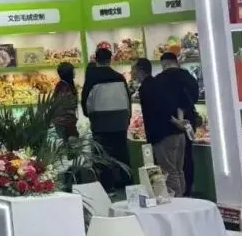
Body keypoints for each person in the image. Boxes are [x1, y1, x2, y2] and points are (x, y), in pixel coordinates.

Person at [135, 59, 188, 197]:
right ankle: (184, 199)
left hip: (163, 135)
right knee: (178, 170)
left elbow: (159, 110)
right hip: (177, 134)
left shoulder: (146, 88)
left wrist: (175, 122)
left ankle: (176, 202)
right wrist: (179, 121)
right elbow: (179, 103)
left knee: (169, 172)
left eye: (133, 70)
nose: (131, 73)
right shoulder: (160, 84)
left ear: (140, 71)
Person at [81, 47, 132, 191]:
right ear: (111, 60)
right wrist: (127, 118)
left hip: (100, 122)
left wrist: (90, 116)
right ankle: (126, 183)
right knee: (122, 152)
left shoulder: (92, 78)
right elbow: (128, 100)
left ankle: (107, 186)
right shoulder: (120, 77)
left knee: (102, 155)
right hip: (120, 121)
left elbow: (85, 102)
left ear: (96, 59)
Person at [158, 52, 201, 195]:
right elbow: (195, 97)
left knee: (171, 163)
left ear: (163, 64)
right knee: (187, 156)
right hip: (189, 121)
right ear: (176, 62)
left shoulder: (160, 79)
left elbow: (160, 104)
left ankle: (174, 194)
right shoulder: (188, 77)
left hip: (170, 123)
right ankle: (188, 189)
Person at [52, 62, 80, 139]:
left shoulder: (63, 85)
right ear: (69, 73)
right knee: (72, 142)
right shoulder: (64, 87)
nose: (74, 73)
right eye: (73, 71)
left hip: (64, 122)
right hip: (65, 123)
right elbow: (66, 105)